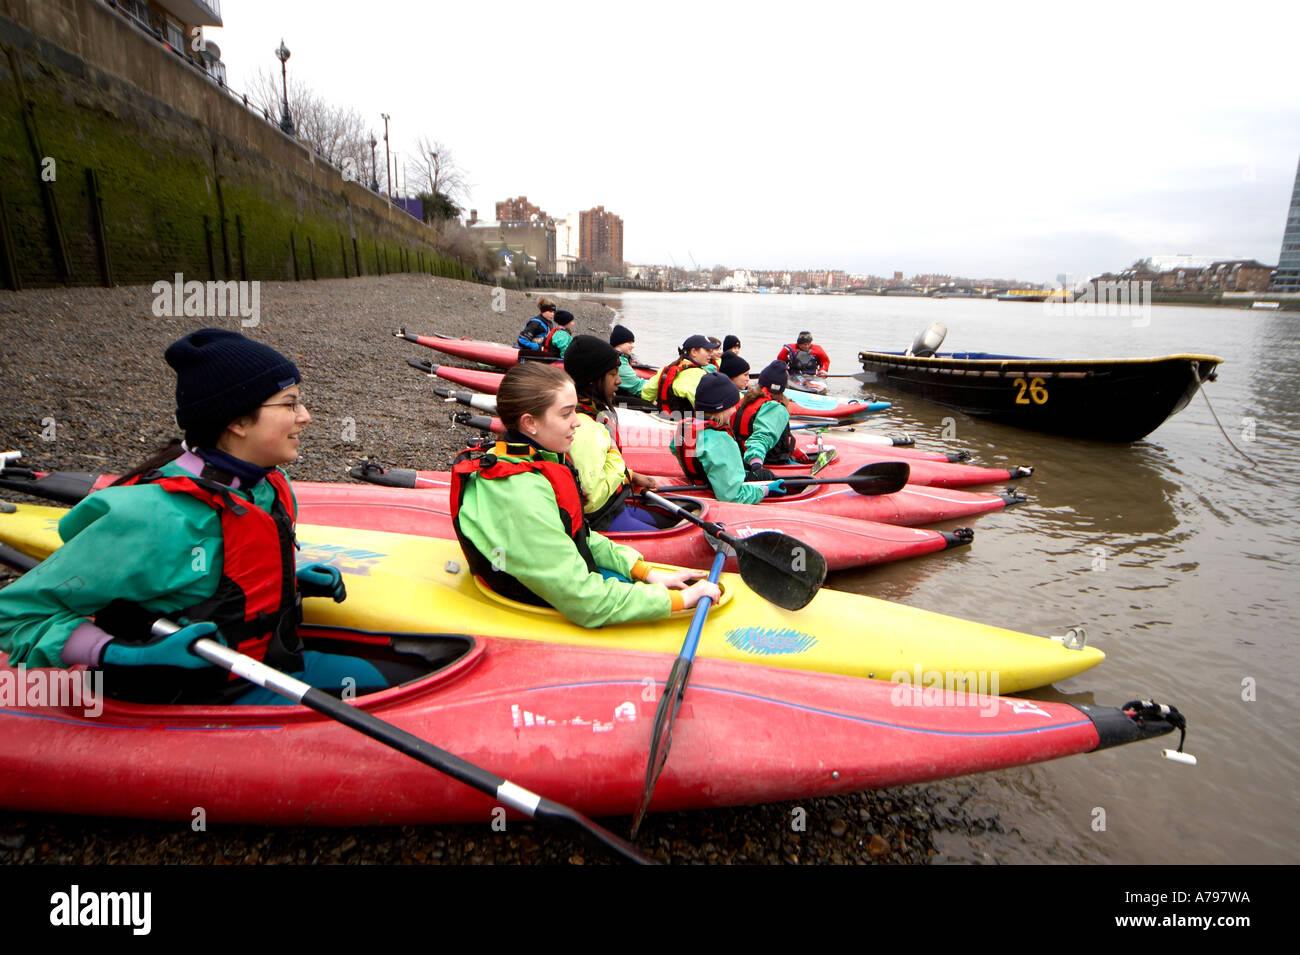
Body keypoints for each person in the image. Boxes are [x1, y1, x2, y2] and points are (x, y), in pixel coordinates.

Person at [0, 328, 402, 706]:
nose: (306, 416)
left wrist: (289, 579)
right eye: (290, 403)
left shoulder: (267, 485)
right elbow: (16, 615)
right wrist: (122, 654)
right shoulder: (150, 517)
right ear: (235, 421)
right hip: (194, 695)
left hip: (267, 666)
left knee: (396, 676)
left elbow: (214, 580)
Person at [450, 362, 720, 627]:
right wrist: (680, 600)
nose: (578, 423)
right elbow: (587, 602)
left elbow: (578, 534)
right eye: (567, 413)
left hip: (559, 589)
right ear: (530, 423)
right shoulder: (520, 492)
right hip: (540, 606)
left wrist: (644, 571)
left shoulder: (532, 459)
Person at [562, 335, 662, 532]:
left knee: (662, 520)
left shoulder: (592, 412)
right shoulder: (582, 426)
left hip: (615, 506)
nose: (618, 381)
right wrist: (619, 466)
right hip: (600, 518)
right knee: (659, 533)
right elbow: (590, 496)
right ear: (592, 380)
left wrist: (630, 476)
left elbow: (593, 469)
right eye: (612, 374)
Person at [669, 373, 786, 505]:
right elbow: (733, 496)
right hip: (717, 500)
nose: (733, 411)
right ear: (720, 408)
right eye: (731, 406)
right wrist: (764, 490)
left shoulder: (684, 428)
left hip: (699, 487)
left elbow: (676, 449)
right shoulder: (721, 440)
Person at [733, 360, 811, 473]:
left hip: (741, 458)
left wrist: (792, 449)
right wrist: (756, 464)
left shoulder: (746, 400)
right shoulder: (774, 408)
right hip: (768, 463)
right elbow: (762, 437)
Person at [640, 334, 714, 416]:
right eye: (707, 350)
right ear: (694, 352)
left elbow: (646, 394)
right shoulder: (700, 375)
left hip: (664, 417)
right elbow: (705, 407)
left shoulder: (666, 370)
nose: (711, 354)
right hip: (687, 423)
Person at [609, 323, 643, 396]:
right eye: (629, 342)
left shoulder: (614, 356)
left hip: (616, 392)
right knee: (650, 405)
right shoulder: (618, 362)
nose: (633, 346)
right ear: (619, 343)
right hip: (618, 400)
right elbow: (636, 387)